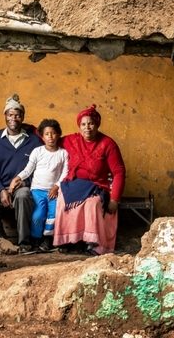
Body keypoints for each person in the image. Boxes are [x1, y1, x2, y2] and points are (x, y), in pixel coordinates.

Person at [53, 104, 126, 255]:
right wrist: (29, 129)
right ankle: (70, 241)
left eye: (91, 123)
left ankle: (92, 243)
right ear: (79, 126)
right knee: (63, 199)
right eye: (83, 124)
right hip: (74, 183)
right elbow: (50, 137)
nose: (87, 127)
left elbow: (119, 172)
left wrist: (115, 199)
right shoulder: (72, 140)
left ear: (97, 125)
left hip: (97, 185)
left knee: (92, 204)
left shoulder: (108, 144)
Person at [0, 93, 43, 253]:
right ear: (5, 116)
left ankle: (24, 243)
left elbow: (40, 169)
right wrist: (1, 190)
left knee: (23, 196)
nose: (13, 118)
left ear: (22, 117)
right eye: (10, 114)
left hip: (23, 185)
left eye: (17, 115)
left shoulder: (34, 141)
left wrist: (26, 183)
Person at [9, 119, 69, 252]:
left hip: (54, 191)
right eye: (47, 134)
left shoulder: (63, 153)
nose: (50, 137)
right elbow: (28, 169)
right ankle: (36, 239)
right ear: (42, 136)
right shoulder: (37, 151)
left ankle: (47, 240)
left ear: (58, 134)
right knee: (38, 215)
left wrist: (57, 187)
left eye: (53, 133)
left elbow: (65, 173)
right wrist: (17, 178)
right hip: (37, 190)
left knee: (52, 215)